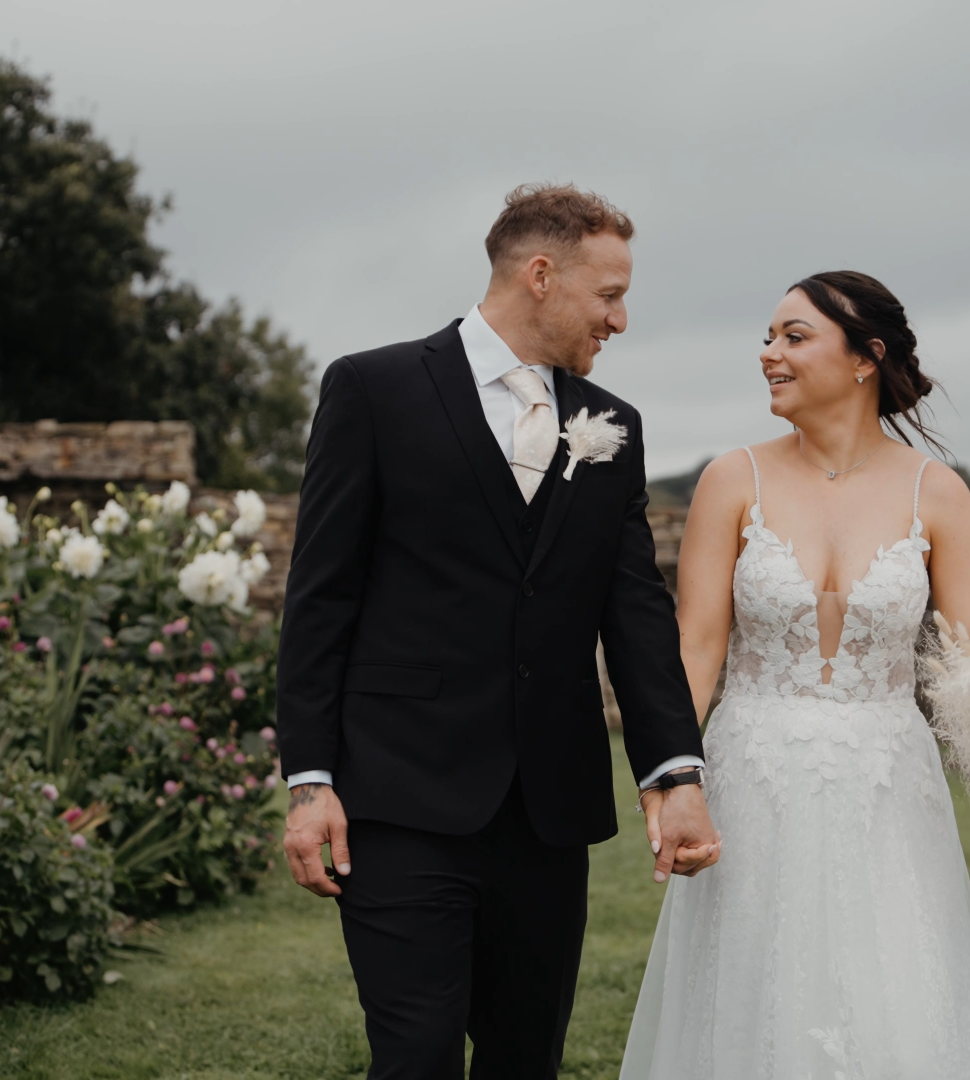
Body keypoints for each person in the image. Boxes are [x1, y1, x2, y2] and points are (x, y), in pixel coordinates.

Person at [276, 183, 721, 1080]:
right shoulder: (374, 388)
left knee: (527, 1059)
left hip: (547, 814)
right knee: (418, 1055)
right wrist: (310, 779)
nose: (622, 320)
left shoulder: (613, 429)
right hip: (399, 799)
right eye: (609, 295)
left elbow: (634, 613)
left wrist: (674, 773)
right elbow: (319, 598)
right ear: (542, 275)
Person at [620, 271, 970, 1078]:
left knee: (892, 997)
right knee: (748, 999)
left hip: (888, 793)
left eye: (793, 337)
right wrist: (670, 777)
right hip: (752, 783)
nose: (769, 354)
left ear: (865, 358)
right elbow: (694, 648)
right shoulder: (733, 480)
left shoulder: (937, 494)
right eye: (768, 338)